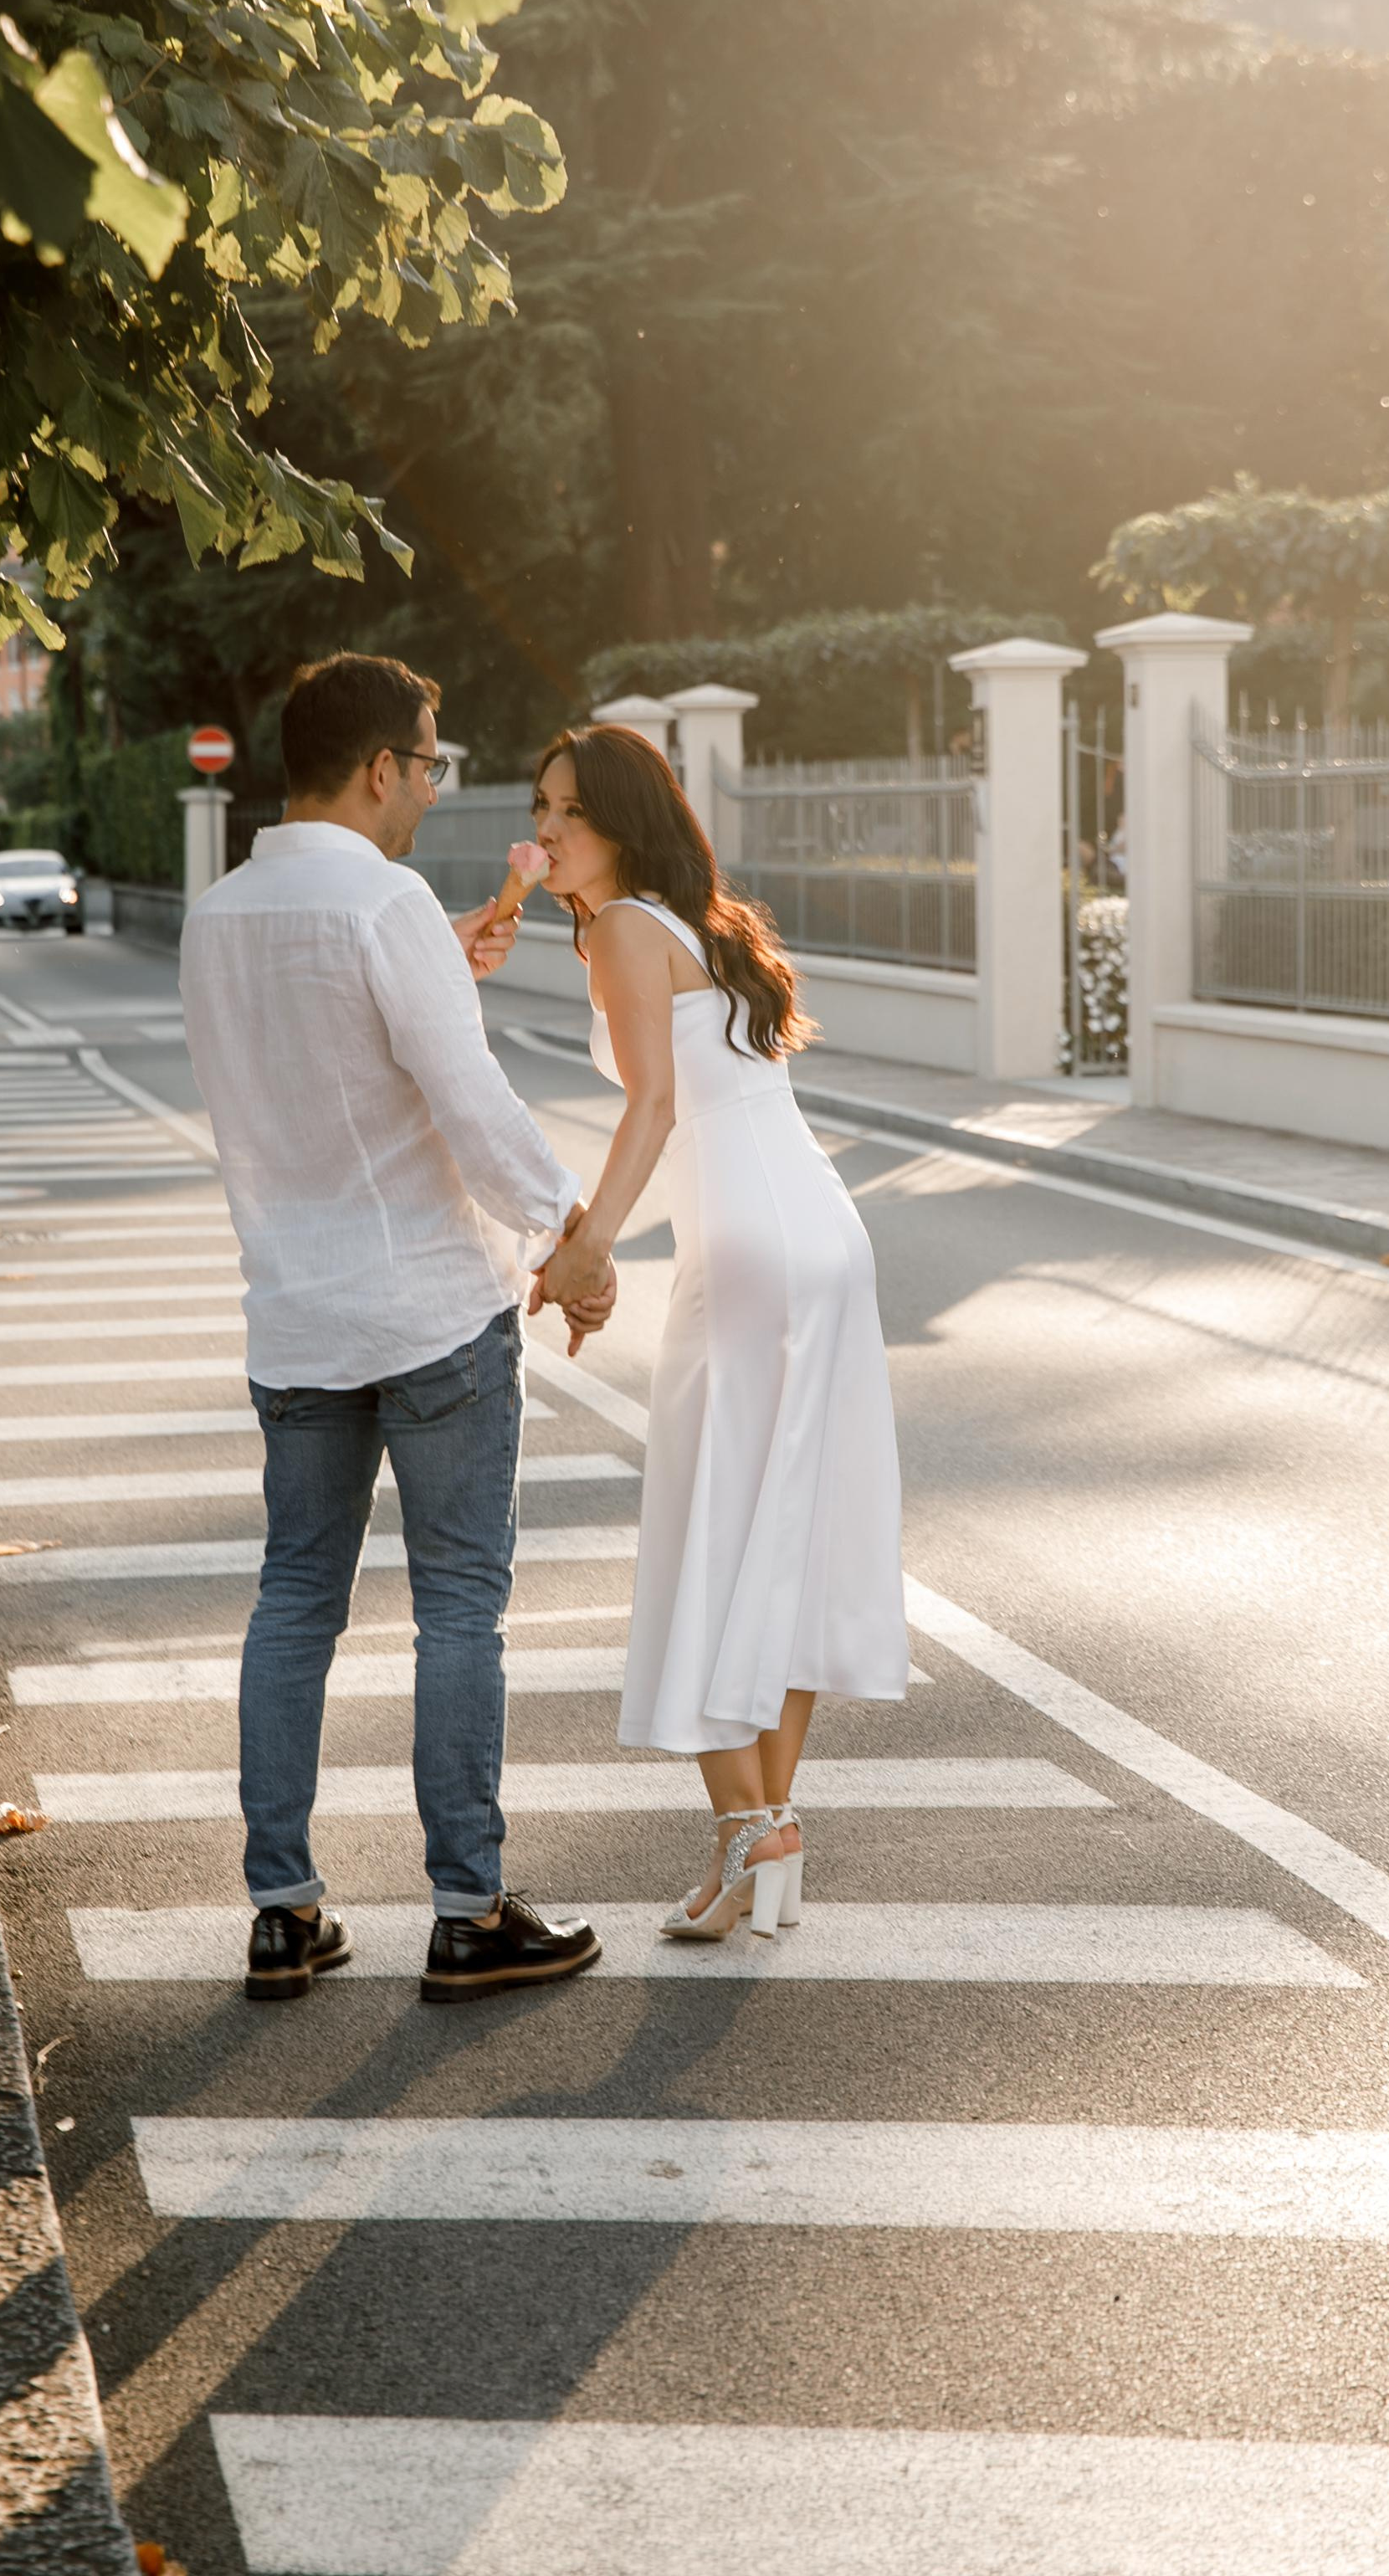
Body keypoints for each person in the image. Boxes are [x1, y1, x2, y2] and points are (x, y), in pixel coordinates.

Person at [181, 654, 614, 2007]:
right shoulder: (389, 900)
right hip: (430, 1305)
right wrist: (571, 1233)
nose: (432, 786)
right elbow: (464, 1096)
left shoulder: (220, 914)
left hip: (297, 1314)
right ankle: (468, 1910)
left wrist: (446, 965)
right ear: (379, 767)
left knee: (295, 1597)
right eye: (429, 763)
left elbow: (322, 1074)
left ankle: (282, 1911)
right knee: (459, 1610)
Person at [536, 725, 908, 1940]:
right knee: (784, 1531)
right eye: (541, 810)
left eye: (563, 814)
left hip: (746, 1247)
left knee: (708, 1527)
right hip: (824, 1238)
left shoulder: (625, 932)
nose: (541, 831)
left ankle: (749, 1833)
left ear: (622, 825)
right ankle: (763, 1835)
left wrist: (589, 1244)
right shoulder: (702, 925)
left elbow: (653, 1104)